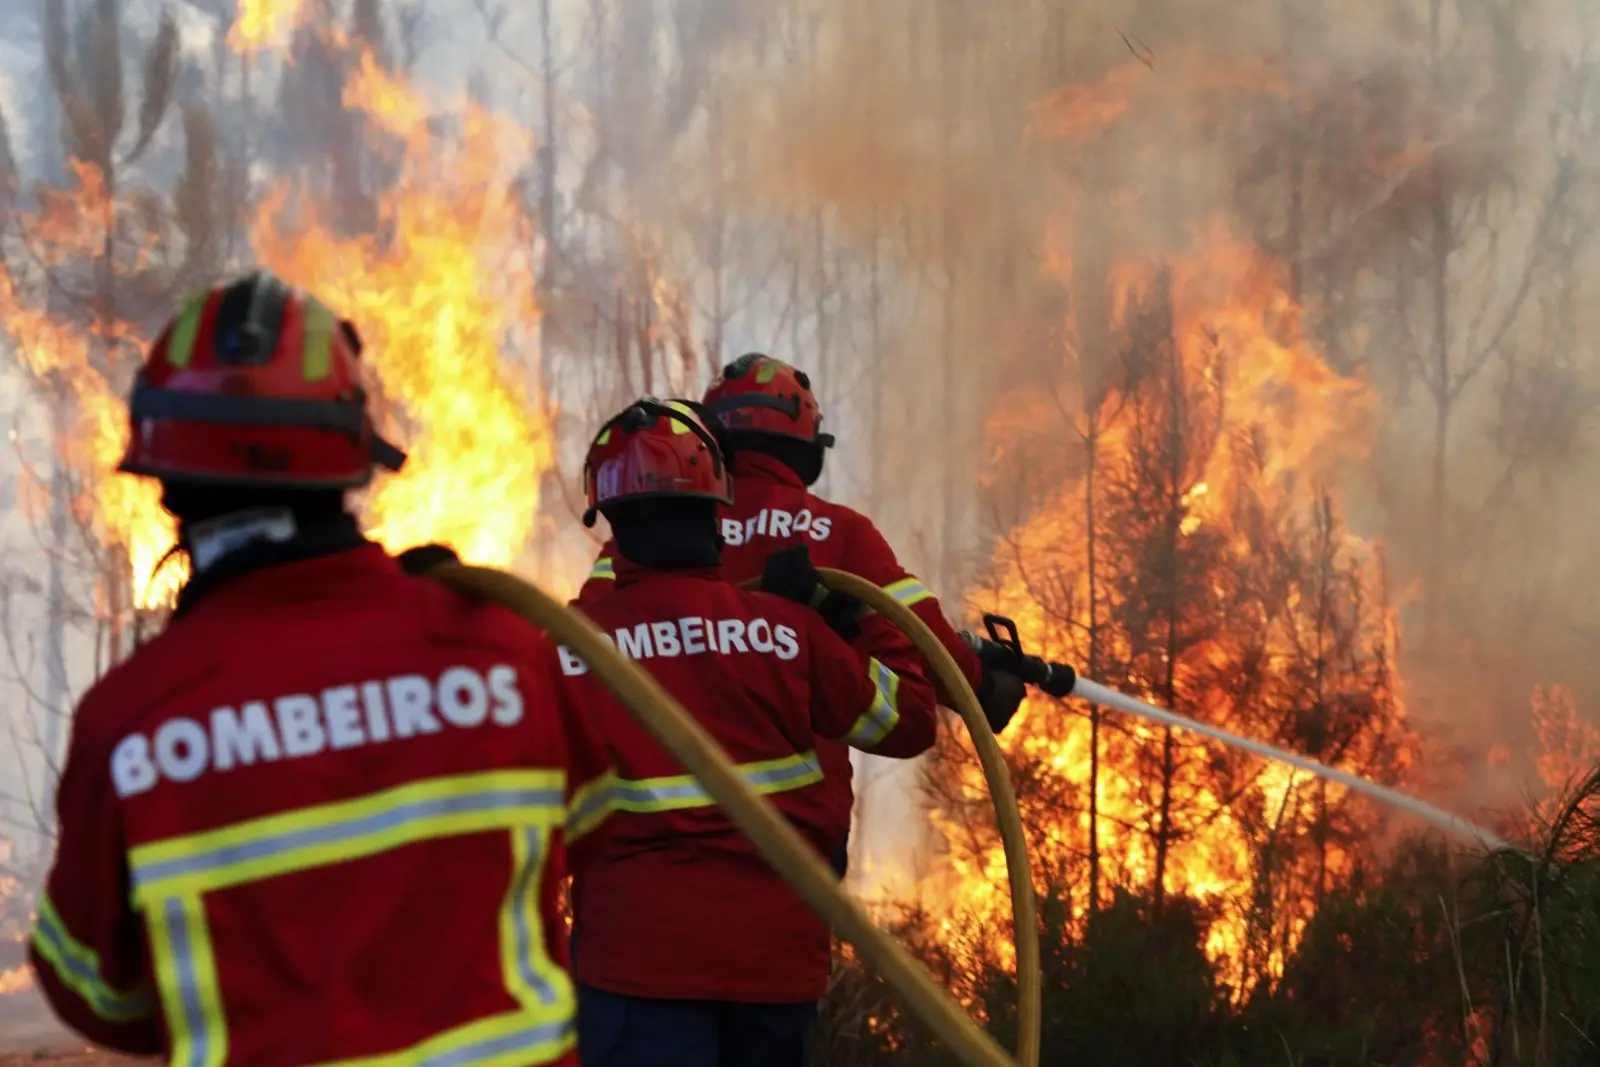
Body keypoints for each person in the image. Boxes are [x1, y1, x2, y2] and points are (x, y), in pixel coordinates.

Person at [28, 271, 613, 1067]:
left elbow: (93, 991)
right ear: (355, 462)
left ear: (163, 481)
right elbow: (587, 828)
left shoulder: (133, 721)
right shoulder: (501, 649)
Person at [562, 397, 938, 1067]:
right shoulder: (788, 632)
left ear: (612, 526)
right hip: (772, 973)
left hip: (636, 971)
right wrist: (843, 621)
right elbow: (907, 721)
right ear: (718, 508)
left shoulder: (569, 649)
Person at [576, 353, 1028, 873]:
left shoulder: (636, 543)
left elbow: (590, 638)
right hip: (792, 837)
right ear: (806, 445)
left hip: (646, 828)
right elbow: (920, 635)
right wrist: (980, 687)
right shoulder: (834, 533)